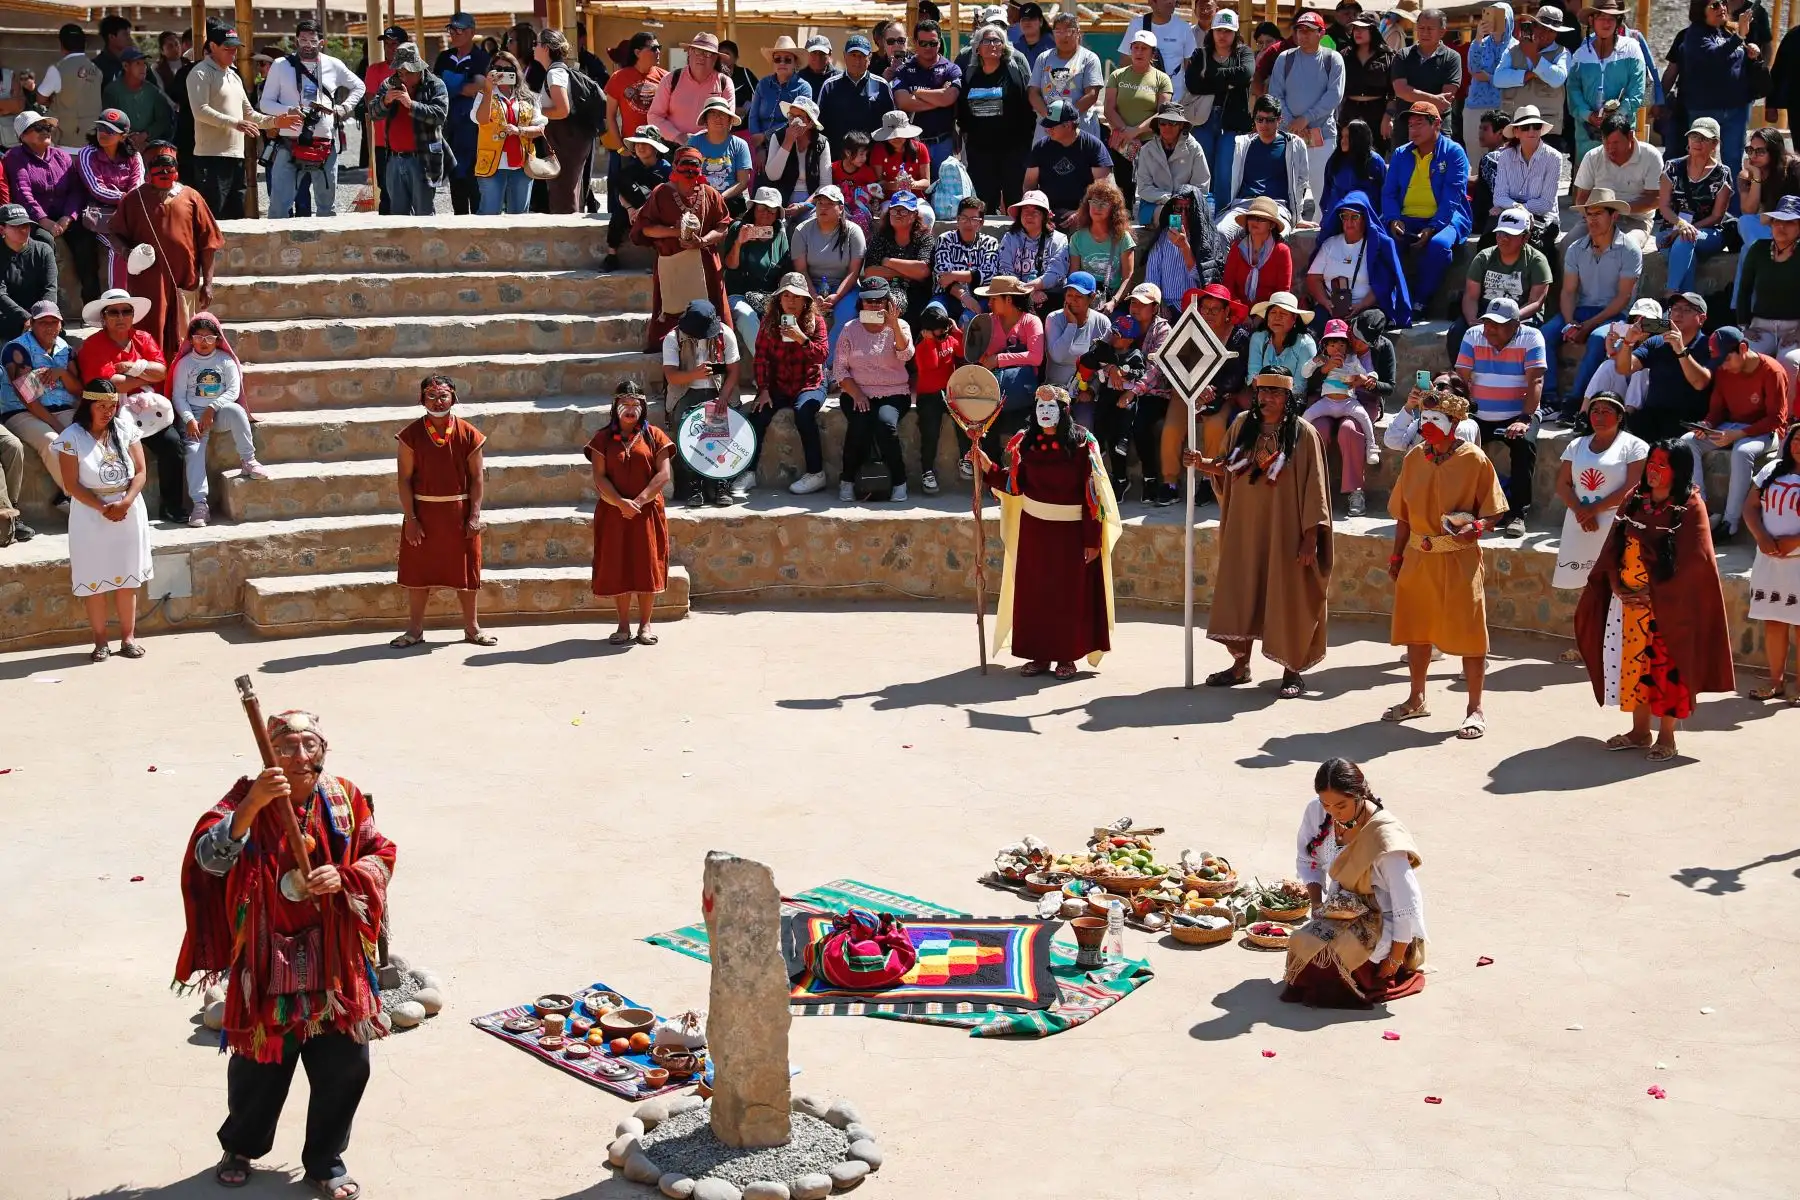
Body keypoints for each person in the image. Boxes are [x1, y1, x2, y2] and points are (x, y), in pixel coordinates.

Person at [177, 708, 395, 1200]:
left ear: (323, 751)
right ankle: (240, 1147)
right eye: (286, 747)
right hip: (265, 957)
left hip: (336, 959)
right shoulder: (242, 799)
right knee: (259, 1063)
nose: (299, 757)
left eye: (309, 746)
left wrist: (346, 877)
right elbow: (209, 862)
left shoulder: (345, 798)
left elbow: (379, 852)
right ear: (268, 754)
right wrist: (252, 805)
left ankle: (325, 1160)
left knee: (346, 1066)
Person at [1574, 440, 1734, 759]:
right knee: (1633, 665)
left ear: (1679, 471)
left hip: (1669, 607)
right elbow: (1614, 544)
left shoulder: (1689, 505)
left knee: (1664, 668)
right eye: (1652, 462)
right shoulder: (1635, 497)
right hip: (1629, 604)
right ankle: (1639, 731)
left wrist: (1654, 593)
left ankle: (1667, 737)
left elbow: (1696, 559)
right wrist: (1617, 585)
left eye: (1663, 464)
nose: (1653, 470)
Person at [1185, 365, 1331, 695]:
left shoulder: (1303, 433)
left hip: (1287, 530)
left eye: (1275, 391)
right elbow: (1228, 466)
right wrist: (1201, 462)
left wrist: (1310, 538)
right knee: (1243, 592)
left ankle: (1292, 672)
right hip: (1245, 527)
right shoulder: (1242, 425)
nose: (1267, 397)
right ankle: (1240, 666)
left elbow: (1316, 487)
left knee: (1288, 596)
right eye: (1263, 390)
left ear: (1288, 396)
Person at [968, 382, 1121, 678]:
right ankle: (1039, 655)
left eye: (1051, 407)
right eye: (1040, 407)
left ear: (1064, 411)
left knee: (1068, 596)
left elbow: (1093, 496)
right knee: (1035, 595)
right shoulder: (1025, 443)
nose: (1045, 412)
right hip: (1035, 533)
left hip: (1072, 534)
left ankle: (1066, 656)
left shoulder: (1083, 445)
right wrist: (987, 468)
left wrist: (1092, 540)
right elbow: (1015, 485)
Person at [1383, 387, 1509, 738]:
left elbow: (1494, 509)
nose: (1427, 426)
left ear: (1454, 424)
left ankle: (1475, 708)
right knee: (1417, 631)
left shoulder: (1474, 459)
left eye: (1436, 419)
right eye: (1424, 419)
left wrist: (1478, 527)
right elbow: (1403, 515)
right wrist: (1396, 556)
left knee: (1470, 632)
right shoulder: (1413, 459)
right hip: (1418, 556)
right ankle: (1416, 698)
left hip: (1458, 557)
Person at [1280, 758, 1428, 1008]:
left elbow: (1407, 903)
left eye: (1341, 805)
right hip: (1340, 907)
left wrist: (1394, 959)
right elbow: (1308, 861)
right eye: (1326, 804)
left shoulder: (1383, 835)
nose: (1333, 812)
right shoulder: (1317, 812)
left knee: (1331, 959)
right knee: (1300, 943)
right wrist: (1317, 904)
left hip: (1382, 918)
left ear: (1360, 795)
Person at [390, 375, 490, 648]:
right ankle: (414, 630)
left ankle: (472, 628)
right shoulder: (410, 435)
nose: (437, 401)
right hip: (423, 513)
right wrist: (411, 518)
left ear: (453, 397)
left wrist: (474, 516)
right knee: (418, 574)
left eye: (443, 395)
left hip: (459, 513)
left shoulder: (469, 433)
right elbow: (404, 480)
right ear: (422, 399)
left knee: (466, 574)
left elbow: (477, 478)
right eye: (430, 396)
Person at [55, 379, 151, 659]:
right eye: (101, 406)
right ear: (88, 405)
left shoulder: (124, 429)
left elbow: (141, 471)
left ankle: (128, 638)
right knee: (94, 579)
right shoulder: (71, 437)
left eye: (111, 406)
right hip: (90, 514)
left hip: (128, 509)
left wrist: (126, 502)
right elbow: (71, 484)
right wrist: (103, 507)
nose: (108, 411)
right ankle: (100, 642)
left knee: (127, 578)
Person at [76, 286, 185, 523]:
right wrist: (144, 372)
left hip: (148, 413)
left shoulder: (143, 338)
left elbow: (162, 371)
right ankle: (114, 509)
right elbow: (108, 386)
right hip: (108, 414)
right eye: (113, 312)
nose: (121, 317)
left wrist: (131, 371)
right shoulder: (93, 345)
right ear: (103, 317)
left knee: (173, 445)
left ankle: (172, 506)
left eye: (126, 311)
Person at [109, 143, 223, 365]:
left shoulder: (191, 197)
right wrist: (128, 252)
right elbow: (114, 233)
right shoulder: (134, 199)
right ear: (149, 170)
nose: (164, 173)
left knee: (184, 337)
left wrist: (208, 283)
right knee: (149, 334)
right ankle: (152, 386)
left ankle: (181, 385)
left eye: (168, 168)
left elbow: (208, 243)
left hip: (184, 282)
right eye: (158, 168)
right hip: (147, 285)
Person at [585, 380, 675, 646]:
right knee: (618, 565)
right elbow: (599, 477)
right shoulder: (602, 438)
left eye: (636, 405)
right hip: (614, 513)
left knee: (646, 566)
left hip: (646, 512)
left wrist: (639, 501)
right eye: (625, 404)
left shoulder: (654, 436)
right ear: (615, 408)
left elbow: (664, 474)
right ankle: (623, 625)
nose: (631, 410)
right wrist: (620, 503)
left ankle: (645, 625)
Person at [1542, 189, 1642, 414]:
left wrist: (1587, 326)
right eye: (1589, 214)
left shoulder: (1630, 250)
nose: (1592, 219)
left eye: (1598, 213)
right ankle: (1548, 396)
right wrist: (1570, 324)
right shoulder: (1576, 248)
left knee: (1598, 339)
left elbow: (1622, 298)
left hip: (1615, 315)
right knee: (1544, 334)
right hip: (1580, 311)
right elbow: (1568, 292)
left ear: (1614, 216)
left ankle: (1575, 401)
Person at [1455, 295, 1547, 536]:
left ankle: (1517, 514)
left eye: (1497, 324)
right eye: (1487, 322)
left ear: (1516, 325)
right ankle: (1462, 508)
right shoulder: (1472, 335)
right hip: (1477, 412)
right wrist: (1462, 412)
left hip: (1518, 412)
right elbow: (1461, 378)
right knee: (1455, 443)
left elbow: (1536, 379)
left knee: (1524, 445)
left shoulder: (1531, 337)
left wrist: (1525, 418)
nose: (1490, 329)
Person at [187, 26, 298, 220]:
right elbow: (200, 111)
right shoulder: (200, 73)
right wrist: (236, 123)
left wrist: (275, 121)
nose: (233, 52)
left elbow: (250, 115)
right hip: (211, 157)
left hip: (236, 156)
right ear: (212, 46)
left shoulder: (234, 75)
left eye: (235, 48)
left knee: (236, 215)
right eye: (227, 48)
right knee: (213, 217)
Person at [260, 19, 364, 220]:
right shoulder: (281, 66)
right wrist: (289, 110)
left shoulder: (333, 65)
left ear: (322, 42)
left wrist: (342, 109)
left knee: (326, 209)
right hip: (288, 143)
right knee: (278, 209)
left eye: (313, 40)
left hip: (324, 145)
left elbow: (359, 86)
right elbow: (266, 104)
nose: (308, 45)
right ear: (296, 41)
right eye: (303, 40)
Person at [632, 145, 732, 350]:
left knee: (710, 310)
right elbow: (646, 229)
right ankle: (671, 354)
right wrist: (676, 232)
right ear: (675, 166)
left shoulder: (711, 194)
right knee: (671, 309)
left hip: (705, 266)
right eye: (684, 164)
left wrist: (702, 241)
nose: (689, 170)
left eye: (694, 165)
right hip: (672, 263)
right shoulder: (661, 193)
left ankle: (715, 351)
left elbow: (723, 227)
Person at [169, 312, 263, 529]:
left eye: (209, 337)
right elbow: (178, 396)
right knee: (193, 451)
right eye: (198, 336)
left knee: (237, 412)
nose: (204, 342)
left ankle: (248, 460)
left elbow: (233, 390)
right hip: (192, 415)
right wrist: (190, 419)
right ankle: (200, 504)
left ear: (218, 339)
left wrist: (213, 407)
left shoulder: (225, 360)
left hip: (218, 412)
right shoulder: (184, 364)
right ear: (190, 338)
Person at [1378, 100, 1469, 322]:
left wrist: (1433, 227)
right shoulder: (1401, 153)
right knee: (1382, 240)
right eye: (1410, 125)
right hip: (1406, 217)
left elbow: (1452, 198)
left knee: (1438, 246)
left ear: (1436, 124)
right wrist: (1392, 219)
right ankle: (1389, 300)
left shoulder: (1454, 153)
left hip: (1445, 218)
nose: (1413, 130)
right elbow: (1388, 193)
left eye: (1419, 124)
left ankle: (1420, 301)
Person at [1694, 325, 1789, 538]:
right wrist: (1707, 425)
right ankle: (1702, 509)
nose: (1724, 367)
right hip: (1733, 426)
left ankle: (1730, 522)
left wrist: (1739, 435)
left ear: (1743, 348)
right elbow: (1716, 410)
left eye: (1726, 359)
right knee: (1686, 442)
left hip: (1766, 432)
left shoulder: (1771, 370)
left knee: (1742, 451)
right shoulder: (1723, 370)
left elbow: (1776, 419)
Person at [1552, 389, 1649, 598]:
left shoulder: (1635, 447)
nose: (1599, 417)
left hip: (1616, 525)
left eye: (1606, 411)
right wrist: (1581, 512)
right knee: (1585, 591)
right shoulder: (1576, 445)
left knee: (1615, 589)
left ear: (1620, 416)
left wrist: (1592, 510)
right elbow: (1563, 485)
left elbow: (1633, 487)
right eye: (1595, 411)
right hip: (1579, 523)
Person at [833, 277, 914, 502]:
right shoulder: (850, 329)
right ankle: (847, 479)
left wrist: (894, 325)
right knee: (859, 424)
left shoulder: (901, 326)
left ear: (888, 302)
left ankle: (899, 481)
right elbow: (840, 371)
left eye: (879, 301)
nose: (875, 306)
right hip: (857, 391)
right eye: (870, 302)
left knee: (885, 424)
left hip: (893, 392)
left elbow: (906, 356)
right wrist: (857, 393)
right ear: (862, 304)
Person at [750, 273, 831, 495]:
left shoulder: (817, 322)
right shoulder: (769, 323)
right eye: (786, 296)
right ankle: (748, 472)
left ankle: (816, 473)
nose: (791, 301)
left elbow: (822, 356)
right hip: (779, 384)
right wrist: (764, 390)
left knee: (804, 413)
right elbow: (761, 358)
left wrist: (801, 338)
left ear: (806, 301)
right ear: (779, 299)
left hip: (810, 382)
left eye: (797, 296)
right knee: (758, 413)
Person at [1664, 0, 1760, 187]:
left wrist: (1753, 54)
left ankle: (1733, 213)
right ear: (1701, 10)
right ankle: (1696, 207)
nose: (1722, 8)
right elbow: (1671, 71)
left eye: (1723, 3)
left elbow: (1741, 63)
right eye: (1715, 5)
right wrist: (1655, 101)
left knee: (1733, 161)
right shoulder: (1689, 36)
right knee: (1699, 160)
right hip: (1702, 108)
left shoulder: (1732, 32)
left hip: (1736, 108)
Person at [660, 299, 742, 507]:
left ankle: (721, 483)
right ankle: (693, 485)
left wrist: (723, 396)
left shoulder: (725, 334)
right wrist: (694, 374)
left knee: (719, 422)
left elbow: (733, 371)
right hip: (686, 392)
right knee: (688, 427)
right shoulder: (673, 338)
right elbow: (671, 377)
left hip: (718, 390)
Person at [1449, 206, 1552, 362]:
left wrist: (1508, 319)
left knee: (1516, 335)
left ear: (1525, 237)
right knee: (1457, 332)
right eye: (1500, 233)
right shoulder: (1484, 257)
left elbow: (1536, 303)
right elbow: (1471, 296)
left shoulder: (1537, 261)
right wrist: (1472, 320)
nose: (1503, 238)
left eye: (1510, 234)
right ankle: (1461, 379)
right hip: (1486, 312)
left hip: (1521, 314)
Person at [1300, 317, 1382, 512]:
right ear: (1325, 346)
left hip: (1347, 402)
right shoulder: (1322, 361)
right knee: (1306, 420)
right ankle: (1297, 453)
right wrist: (1323, 366)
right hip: (1326, 403)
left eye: (1341, 344)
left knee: (1360, 419)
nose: (1337, 349)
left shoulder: (1352, 360)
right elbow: (1305, 374)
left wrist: (1366, 378)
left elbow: (1367, 373)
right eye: (1332, 344)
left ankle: (1372, 448)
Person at [1, 299, 79, 503]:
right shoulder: (17, 349)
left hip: (62, 408)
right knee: (52, 441)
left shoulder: (65, 349)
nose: (50, 327)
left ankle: (89, 493)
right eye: (43, 322)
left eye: (54, 322)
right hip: (22, 412)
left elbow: (78, 388)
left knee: (87, 436)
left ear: (61, 324)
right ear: (32, 323)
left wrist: (61, 373)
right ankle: (74, 498)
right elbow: (27, 397)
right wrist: (56, 425)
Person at [1614, 290, 1715, 447]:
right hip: (1652, 417)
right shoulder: (1657, 341)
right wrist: (1628, 342)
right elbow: (1624, 369)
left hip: (1686, 421)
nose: (1678, 314)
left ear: (1701, 319)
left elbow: (1700, 383)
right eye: (1675, 308)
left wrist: (1681, 350)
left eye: (1686, 309)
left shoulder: (1708, 346)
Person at [1745, 424, 1800, 699]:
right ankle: (1775, 680)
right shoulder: (1772, 470)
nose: (1798, 445)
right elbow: (1750, 506)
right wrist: (1761, 536)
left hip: (1798, 561)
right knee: (1774, 621)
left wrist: (1795, 540)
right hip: (1769, 558)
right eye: (1796, 440)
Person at [1267, 12, 1344, 207]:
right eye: (1300, 30)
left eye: (1309, 30)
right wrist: (1291, 121)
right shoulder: (1284, 59)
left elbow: (1334, 96)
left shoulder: (1333, 59)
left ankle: (1321, 232)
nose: (1303, 34)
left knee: (1322, 191)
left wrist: (1306, 118)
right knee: (1287, 188)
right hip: (1288, 134)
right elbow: (1275, 94)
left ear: (1321, 33)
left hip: (1322, 136)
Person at [603, 33, 666, 268]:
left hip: (659, 150)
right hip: (631, 150)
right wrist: (620, 146)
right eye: (654, 48)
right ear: (638, 52)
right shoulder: (619, 78)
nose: (659, 51)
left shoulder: (665, 77)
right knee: (623, 199)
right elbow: (609, 116)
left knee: (658, 201)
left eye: (659, 47)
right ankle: (612, 251)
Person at [1305, 189, 1410, 330]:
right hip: (1333, 307)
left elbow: (1383, 284)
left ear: (1365, 218)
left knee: (1370, 324)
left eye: (1354, 217)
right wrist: (1326, 303)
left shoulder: (1379, 245)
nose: (1349, 222)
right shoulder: (1329, 244)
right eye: (1345, 217)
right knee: (1313, 326)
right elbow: (1313, 278)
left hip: (1365, 308)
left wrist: (1361, 306)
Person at [957, 25, 1034, 213]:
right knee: (984, 201)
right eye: (987, 40)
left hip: (1013, 150)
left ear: (1003, 46)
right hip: (980, 151)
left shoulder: (1015, 71)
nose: (992, 44)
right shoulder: (970, 74)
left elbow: (1027, 106)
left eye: (996, 40)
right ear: (977, 48)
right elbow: (962, 109)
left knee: (1014, 198)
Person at [1657, 117, 1735, 298]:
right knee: (1685, 252)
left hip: (1708, 233)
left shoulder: (1723, 173)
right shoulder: (1672, 167)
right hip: (1670, 229)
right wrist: (1680, 225)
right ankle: (1687, 305)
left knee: (1686, 238)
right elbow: (1664, 206)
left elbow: (1717, 216)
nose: (1697, 142)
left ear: (1715, 143)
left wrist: (1688, 228)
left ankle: (1671, 293)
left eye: (1704, 138)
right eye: (1694, 136)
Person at [1184, 10, 1255, 205]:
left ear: (1235, 33)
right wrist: (1229, 82)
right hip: (1202, 121)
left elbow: (1246, 73)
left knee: (1225, 172)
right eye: (1219, 30)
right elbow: (1192, 84)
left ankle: (1222, 215)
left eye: (1228, 31)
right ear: (1212, 31)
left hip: (1233, 122)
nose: (1223, 35)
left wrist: (1210, 78)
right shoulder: (1200, 53)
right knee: (1202, 172)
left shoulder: (1245, 53)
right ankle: (1202, 213)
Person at [370, 43, 449, 217]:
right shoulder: (389, 83)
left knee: (424, 215)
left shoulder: (435, 85)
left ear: (418, 68)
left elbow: (439, 116)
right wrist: (385, 102)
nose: (403, 77)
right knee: (398, 217)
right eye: (400, 72)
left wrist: (410, 104)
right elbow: (373, 114)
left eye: (408, 72)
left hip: (423, 159)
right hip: (394, 159)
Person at [972, 273, 1049, 450]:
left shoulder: (1031, 321)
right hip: (992, 397)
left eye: (993, 299)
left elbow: (1036, 357)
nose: (989, 303)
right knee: (987, 439)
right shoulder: (987, 321)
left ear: (1008, 299)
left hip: (1021, 398)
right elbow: (978, 355)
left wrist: (999, 359)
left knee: (1023, 445)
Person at [72, 110, 144, 296]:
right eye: (100, 127)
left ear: (123, 136)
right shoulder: (87, 153)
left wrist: (128, 202)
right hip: (99, 215)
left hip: (128, 213)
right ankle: (118, 299)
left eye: (110, 130)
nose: (103, 133)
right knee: (118, 249)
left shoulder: (134, 156)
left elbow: (138, 186)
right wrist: (125, 199)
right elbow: (96, 188)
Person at [792, 184, 865, 365]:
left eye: (829, 204)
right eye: (819, 203)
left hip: (845, 287)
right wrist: (814, 295)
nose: (822, 208)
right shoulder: (802, 230)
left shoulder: (853, 231)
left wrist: (837, 296)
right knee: (805, 316)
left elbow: (854, 271)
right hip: (810, 286)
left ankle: (825, 364)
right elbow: (801, 270)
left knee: (847, 314)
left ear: (840, 208)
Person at [470, 51, 546, 217]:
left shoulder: (529, 97)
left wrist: (520, 131)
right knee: (489, 214)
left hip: (522, 163)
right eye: (497, 68)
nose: (502, 72)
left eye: (508, 68)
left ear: (516, 71)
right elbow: (481, 120)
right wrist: (489, 90)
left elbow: (540, 128)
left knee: (520, 216)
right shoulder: (483, 95)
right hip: (492, 164)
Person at [1569, 0, 1647, 163]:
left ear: (1618, 21)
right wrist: (1588, 116)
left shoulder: (1632, 50)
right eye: (1602, 17)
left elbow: (1637, 90)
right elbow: (1573, 91)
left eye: (1612, 18)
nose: (1607, 22)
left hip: (1621, 131)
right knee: (1587, 184)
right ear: (1592, 20)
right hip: (1587, 136)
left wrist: (1617, 114)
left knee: (1622, 181)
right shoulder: (1579, 55)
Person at [1738, 193, 1800, 396]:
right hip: (1760, 326)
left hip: (1795, 328)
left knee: (1789, 362)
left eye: (1790, 222)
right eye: (1778, 221)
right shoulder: (1758, 249)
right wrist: (1743, 327)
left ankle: (1787, 420)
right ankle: (1746, 415)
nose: (1782, 227)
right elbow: (1744, 288)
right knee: (1744, 357)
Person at [1572, 111, 1663, 248]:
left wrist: (1618, 210)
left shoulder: (1651, 156)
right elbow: (1581, 198)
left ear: (1630, 136)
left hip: (1636, 219)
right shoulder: (1592, 157)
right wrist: (1596, 218)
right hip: (1597, 217)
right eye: (1606, 142)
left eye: (1616, 143)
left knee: (1625, 246)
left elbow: (1655, 199)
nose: (1610, 149)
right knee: (1570, 244)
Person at [1103, 31, 1173, 207]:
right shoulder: (1117, 75)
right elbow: (1109, 108)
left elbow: (1163, 112)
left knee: (1151, 186)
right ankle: (1124, 223)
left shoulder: (1162, 79)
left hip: (1151, 142)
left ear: (1153, 53)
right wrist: (1126, 132)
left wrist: (1136, 131)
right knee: (1123, 186)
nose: (1139, 52)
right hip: (1122, 141)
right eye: (1136, 48)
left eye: (1144, 49)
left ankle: (1151, 221)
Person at [1734, 126, 1800, 308]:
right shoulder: (1746, 174)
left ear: (1774, 150)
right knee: (1745, 222)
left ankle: (1742, 311)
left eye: (1760, 151)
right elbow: (1748, 210)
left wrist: (1775, 218)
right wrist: (1755, 176)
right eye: (1750, 150)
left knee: (1749, 253)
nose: (1753, 155)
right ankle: (1746, 312)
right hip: (1769, 231)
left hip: (1793, 227)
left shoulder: (1794, 169)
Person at [722, 187, 791, 355]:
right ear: (753, 210)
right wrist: (739, 243)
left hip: (769, 296)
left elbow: (785, 270)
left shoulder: (780, 234)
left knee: (789, 318)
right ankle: (766, 369)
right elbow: (730, 266)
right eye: (762, 209)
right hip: (739, 295)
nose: (766, 214)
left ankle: (790, 368)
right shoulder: (738, 228)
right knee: (747, 317)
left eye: (771, 210)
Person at [1495, 6, 1573, 153]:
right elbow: (1498, 79)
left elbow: (1558, 79)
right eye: (1542, 27)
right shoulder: (1513, 49)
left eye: (1552, 31)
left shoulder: (1562, 53)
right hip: (1516, 127)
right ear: (1534, 26)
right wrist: (1529, 75)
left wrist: (1533, 56)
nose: (1546, 34)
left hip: (1547, 129)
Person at [890, 19, 962, 177]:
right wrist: (938, 97)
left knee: (945, 195)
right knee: (914, 193)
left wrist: (918, 93)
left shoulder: (951, 69)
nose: (928, 48)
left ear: (939, 42)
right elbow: (903, 102)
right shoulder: (904, 70)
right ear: (915, 43)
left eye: (933, 43)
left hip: (944, 142)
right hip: (913, 144)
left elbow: (949, 98)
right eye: (923, 43)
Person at [1490, 105, 1563, 259]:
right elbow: (1499, 197)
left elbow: (1545, 204)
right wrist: (1518, 208)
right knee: (1488, 241)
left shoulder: (1554, 158)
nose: (1531, 131)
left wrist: (1515, 207)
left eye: (1536, 126)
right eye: (1525, 127)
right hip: (1510, 214)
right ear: (1516, 132)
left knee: (1536, 249)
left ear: (1541, 129)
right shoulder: (1505, 157)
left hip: (1542, 218)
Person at [1139, 185, 1220, 313]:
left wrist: (1184, 247)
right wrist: (1158, 304)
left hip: (1197, 308)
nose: (1183, 214)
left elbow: (1205, 279)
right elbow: (1152, 277)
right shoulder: (1163, 237)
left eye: (1188, 209)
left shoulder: (1206, 238)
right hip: (1166, 305)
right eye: (1178, 208)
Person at [913, 300, 966, 493]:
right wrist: (929, 341)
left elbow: (962, 350)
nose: (943, 331)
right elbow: (933, 364)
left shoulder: (949, 338)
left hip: (949, 392)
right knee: (930, 432)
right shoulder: (921, 347)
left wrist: (955, 331)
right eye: (939, 328)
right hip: (929, 395)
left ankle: (965, 458)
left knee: (963, 421)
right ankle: (927, 471)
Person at [647, 32, 734, 144]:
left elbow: (728, 120)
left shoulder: (725, 83)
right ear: (689, 52)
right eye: (697, 51)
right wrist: (678, 136)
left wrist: (698, 139)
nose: (702, 56)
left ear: (715, 58)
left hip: (711, 147)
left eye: (708, 53)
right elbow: (654, 116)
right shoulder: (670, 80)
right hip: (673, 147)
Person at [1133, 102, 1210, 227]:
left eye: (1173, 123)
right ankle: (1170, 244)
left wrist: (1182, 202)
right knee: (1172, 216)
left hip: (1187, 204)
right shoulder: (1147, 150)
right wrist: (1169, 200)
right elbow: (1144, 188)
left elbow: (1201, 186)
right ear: (1158, 125)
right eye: (1163, 123)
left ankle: (1175, 244)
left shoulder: (1195, 148)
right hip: (1153, 205)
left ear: (1181, 125)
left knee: (1179, 216)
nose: (1167, 127)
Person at [863, 189, 933, 324]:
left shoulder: (925, 238)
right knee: (865, 311)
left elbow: (922, 271)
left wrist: (887, 261)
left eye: (903, 210)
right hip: (881, 291)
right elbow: (870, 272)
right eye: (894, 210)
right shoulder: (880, 237)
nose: (898, 215)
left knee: (911, 311)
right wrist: (907, 272)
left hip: (915, 293)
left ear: (914, 215)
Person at [994, 190, 1070, 313]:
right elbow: (1005, 270)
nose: (1029, 216)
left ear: (1045, 216)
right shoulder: (1009, 238)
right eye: (1025, 211)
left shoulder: (1059, 240)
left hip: (1047, 296)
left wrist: (1033, 288)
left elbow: (1056, 274)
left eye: (1035, 212)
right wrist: (1028, 293)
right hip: (1015, 293)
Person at [1066, 179, 1134, 313]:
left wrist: (1113, 302)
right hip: (1084, 298)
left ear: (1113, 209)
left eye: (1104, 203)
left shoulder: (1123, 238)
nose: (1097, 207)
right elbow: (1074, 274)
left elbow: (1128, 278)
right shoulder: (1077, 238)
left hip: (1113, 299)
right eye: (1094, 202)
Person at [817, 34, 894, 150]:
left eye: (862, 56)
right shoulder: (829, 86)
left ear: (870, 57)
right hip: (837, 158)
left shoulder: (882, 85)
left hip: (872, 159)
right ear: (844, 56)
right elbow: (819, 125)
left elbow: (891, 125)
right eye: (853, 55)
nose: (857, 60)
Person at [361, 27, 407, 217]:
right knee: (386, 191)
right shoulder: (375, 69)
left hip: (409, 142)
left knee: (412, 190)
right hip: (383, 142)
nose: (389, 48)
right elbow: (371, 103)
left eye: (394, 44)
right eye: (386, 44)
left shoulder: (416, 71)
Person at [1045, 271, 1112, 397]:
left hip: (1086, 393)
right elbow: (1058, 357)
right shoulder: (1053, 318)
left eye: (1079, 296)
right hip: (1054, 393)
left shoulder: (1102, 322)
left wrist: (1092, 390)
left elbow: (1105, 364)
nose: (1073, 300)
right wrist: (1072, 325)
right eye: (1069, 295)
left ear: (1092, 297)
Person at [35, 24, 103, 146]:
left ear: (61, 45)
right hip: (92, 141)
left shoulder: (58, 69)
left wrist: (54, 101)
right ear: (85, 45)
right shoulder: (97, 71)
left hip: (66, 142)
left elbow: (40, 98)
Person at [747, 35, 811, 164]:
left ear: (795, 63)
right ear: (773, 62)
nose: (782, 63)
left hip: (791, 147)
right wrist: (759, 148)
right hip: (761, 148)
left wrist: (765, 136)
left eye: (787, 60)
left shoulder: (804, 88)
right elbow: (753, 117)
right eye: (777, 59)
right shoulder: (763, 84)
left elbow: (799, 121)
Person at [1391, 7, 1462, 122]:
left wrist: (1415, 95)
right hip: (1406, 124)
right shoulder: (1403, 55)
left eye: (1430, 29)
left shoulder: (1452, 57)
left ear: (1442, 32)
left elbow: (1446, 98)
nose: (1425, 33)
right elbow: (1401, 91)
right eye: (1421, 28)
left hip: (1438, 123)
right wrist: (1434, 98)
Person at [1463, 4, 1516, 156]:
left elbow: (1512, 78)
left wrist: (1489, 77)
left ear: (1510, 21)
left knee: (1501, 158)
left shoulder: (1516, 48)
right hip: (1475, 107)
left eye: (1501, 19)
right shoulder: (1481, 43)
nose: (1496, 22)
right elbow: (1473, 69)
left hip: (1502, 107)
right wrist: (1478, 37)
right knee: (1475, 157)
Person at [1338, 14, 1395, 152]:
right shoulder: (1344, 55)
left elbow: (1394, 92)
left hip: (1377, 112)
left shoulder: (1388, 56)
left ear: (1373, 30)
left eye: (1362, 28)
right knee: (1348, 154)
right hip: (1350, 111)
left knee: (1376, 155)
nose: (1357, 32)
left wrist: (1388, 117)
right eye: (1355, 28)